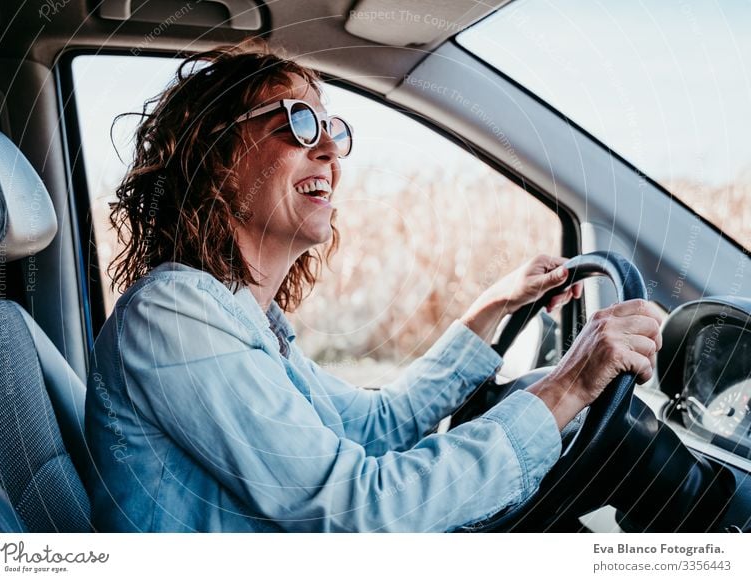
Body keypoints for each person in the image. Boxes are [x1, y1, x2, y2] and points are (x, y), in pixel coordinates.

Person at [84, 44, 662, 532]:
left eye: (331, 127)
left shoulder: (244, 319)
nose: (330, 150)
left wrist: (492, 308)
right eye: (296, 120)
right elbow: (355, 509)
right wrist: (565, 388)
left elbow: (374, 427)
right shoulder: (174, 316)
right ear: (214, 155)